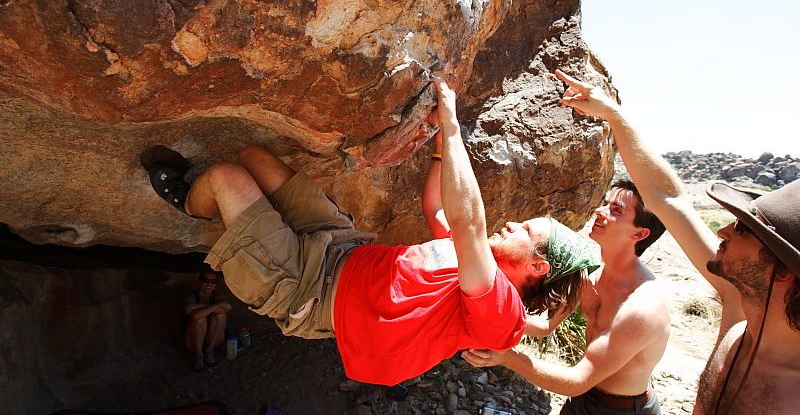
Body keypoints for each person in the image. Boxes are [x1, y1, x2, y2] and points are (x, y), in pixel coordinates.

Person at [142, 78, 599, 386]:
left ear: (538, 265)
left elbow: (468, 221)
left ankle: (187, 199)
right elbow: (437, 206)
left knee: (227, 176)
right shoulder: (476, 266)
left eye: (526, 230)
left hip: (305, 292)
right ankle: (215, 197)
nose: (513, 223)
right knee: (256, 157)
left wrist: (454, 127)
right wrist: (440, 149)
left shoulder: (498, 309)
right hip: (336, 247)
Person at [551, 70, 800, 414]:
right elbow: (670, 199)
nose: (723, 232)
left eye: (743, 230)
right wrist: (614, 116)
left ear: (783, 271)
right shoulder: (738, 311)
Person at [464, 174, 670, 415]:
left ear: (639, 234)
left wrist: (508, 357)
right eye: (604, 203)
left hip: (623, 409)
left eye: (615, 209)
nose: (599, 212)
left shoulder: (641, 308)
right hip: (583, 398)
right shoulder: (591, 276)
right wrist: (482, 310)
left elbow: (577, 380)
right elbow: (545, 325)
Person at [183, 268, 231, 371]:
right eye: (206, 280)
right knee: (200, 319)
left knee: (221, 315)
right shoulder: (191, 297)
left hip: (213, 340)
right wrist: (216, 305)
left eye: (213, 282)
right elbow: (194, 316)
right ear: (200, 281)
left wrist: (198, 307)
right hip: (193, 342)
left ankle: (210, 350)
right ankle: (199, 355)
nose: (209, 284)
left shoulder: (217, 296)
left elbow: (227, 309)